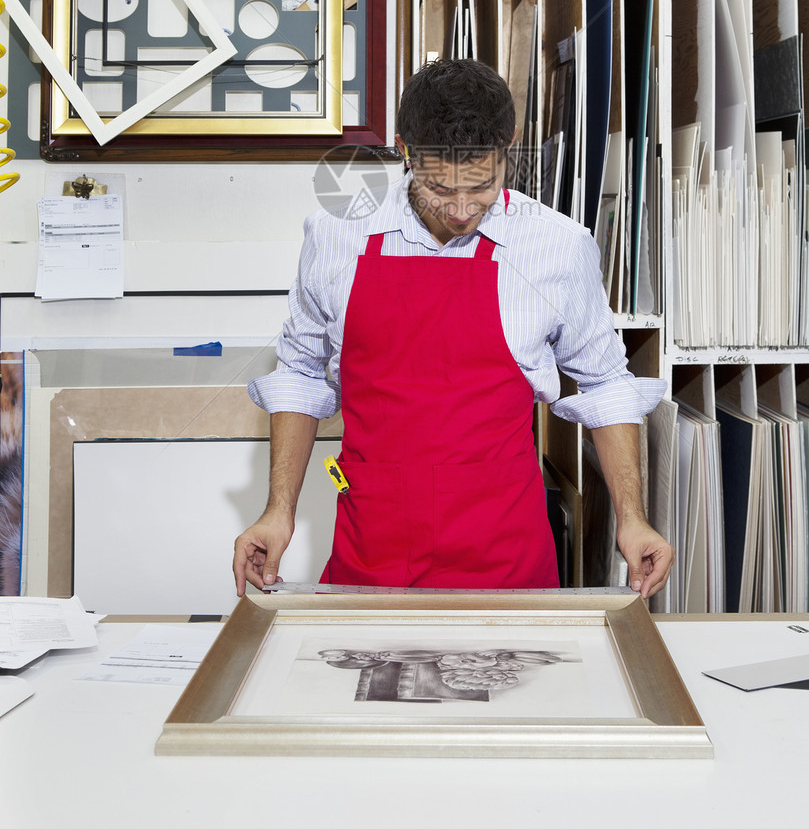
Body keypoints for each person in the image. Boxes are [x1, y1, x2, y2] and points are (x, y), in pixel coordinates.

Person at [233, 58, 673, 597]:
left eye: (483, 185)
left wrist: (632, 517)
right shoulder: (335, 238)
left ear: (510, 143)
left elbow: (607, 385)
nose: (463, 209)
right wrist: (279, 513)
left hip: (506, 552)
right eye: (440, 188)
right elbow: (299, 376)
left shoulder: (558, 246)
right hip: (371, 548)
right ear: (404, 150)